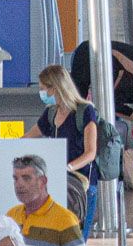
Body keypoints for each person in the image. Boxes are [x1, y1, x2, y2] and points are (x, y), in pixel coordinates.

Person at [32, 64, 98, 230]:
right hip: (59, 185)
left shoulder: (85, 111)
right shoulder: (50, 113)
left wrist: (68, 167)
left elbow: (91, 152)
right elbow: (28, 137)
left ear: (55, 88)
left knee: (78, 239)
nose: (41, 93)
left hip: (83, 185)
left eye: (43, 89)